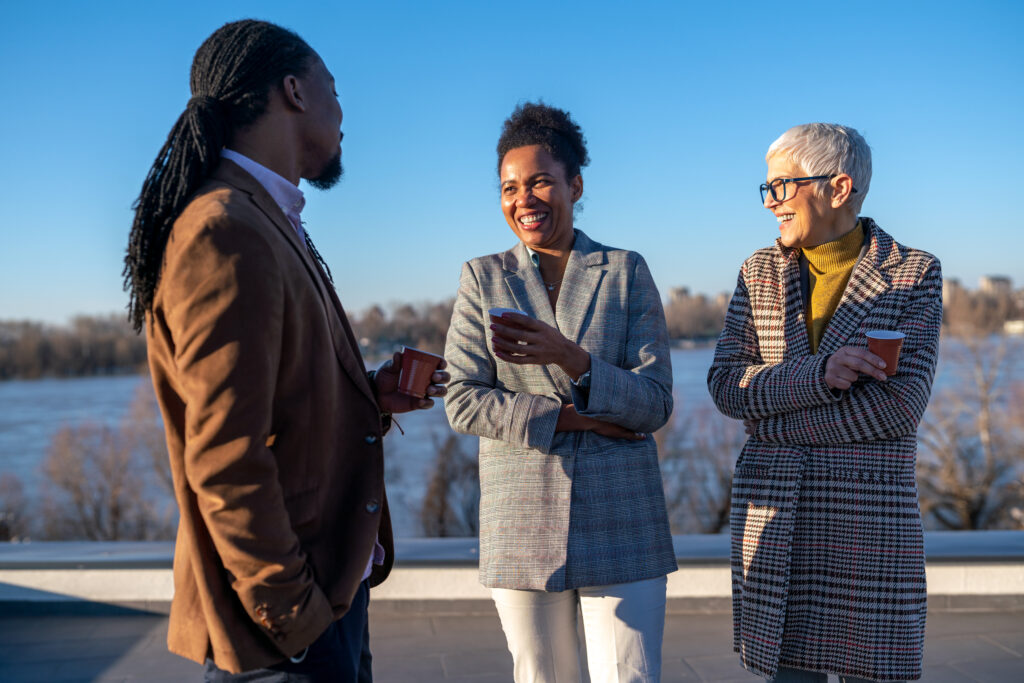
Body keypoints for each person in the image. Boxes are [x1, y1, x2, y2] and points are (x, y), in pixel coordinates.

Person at [123, 20, 448, 681]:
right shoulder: (225, 228)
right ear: (295, 91)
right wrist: (296, 622)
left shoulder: (271, 219)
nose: (343, 113)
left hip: (326, 602)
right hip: (286, 636)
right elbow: (224, 459)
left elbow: (273, 413)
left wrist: (366, 397)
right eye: (336, 90)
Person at [444, 102, 676, 683]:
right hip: (521, 513)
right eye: (509, 187)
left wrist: (570, 358)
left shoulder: (625, 271)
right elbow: (464, 400)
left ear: (575, 184)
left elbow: (655, 403)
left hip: (622, 513)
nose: (524, 199)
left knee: (630, 676)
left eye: (541, 181)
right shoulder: (483, 277)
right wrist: (581, 420)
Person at [708, 123, 942, 682]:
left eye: (783, 187)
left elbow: (899, 409)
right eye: (767, 188)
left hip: (868, 525)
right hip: (775, 517)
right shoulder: (757, 271)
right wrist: (819, 376)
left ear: (838, 188)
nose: (771, 204)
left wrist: (771, 424)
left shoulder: (914, 273)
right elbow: (725, 385)